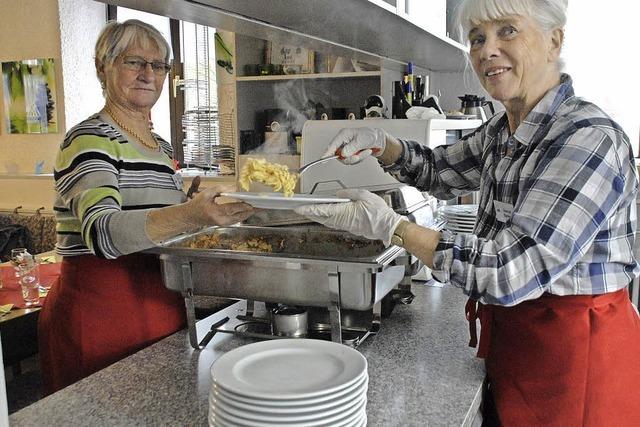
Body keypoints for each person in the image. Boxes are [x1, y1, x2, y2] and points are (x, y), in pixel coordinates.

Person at [294, 0, 640, 425]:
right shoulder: (505, 129)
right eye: (477, 38)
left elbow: (507, 272)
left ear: (555, 40)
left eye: (507, 31)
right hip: (520, 344)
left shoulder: (588, 140)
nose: (486, 50)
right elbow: (440, 170)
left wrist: (391, 227)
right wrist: (382, 143)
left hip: (577, 362)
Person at [38, 20, 253, 395]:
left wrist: (191, 207)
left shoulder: (161, 146)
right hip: (101, 314)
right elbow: (102, 233)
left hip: (161, 304)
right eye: (134, 62)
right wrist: (189, 214)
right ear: (102, 67)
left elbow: (155, 223)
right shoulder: (89, 139)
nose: (148, 74)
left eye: (158, 66)